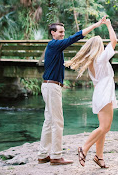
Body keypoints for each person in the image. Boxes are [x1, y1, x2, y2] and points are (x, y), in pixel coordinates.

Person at [37, 16, 106, 166]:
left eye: (63, 32)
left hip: (48, 86)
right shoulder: (54, 44)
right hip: (52, 86)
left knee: (49, 120)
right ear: (52, 33)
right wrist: (95, 25)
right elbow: (75, 37)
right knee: (57, 122)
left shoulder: (54, 46)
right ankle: (55, 156)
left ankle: (43, 154)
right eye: (60, 32)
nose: (63, 34)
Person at [65, 17, 117, 168]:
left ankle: (99, 157)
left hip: (100, 93)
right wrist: (108, 24)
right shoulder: (101, 59)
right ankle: (84, 148)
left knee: (103, 127)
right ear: (98, 47)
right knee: (105, 127)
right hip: (104, 93)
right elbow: (114, 41)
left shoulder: (91, 63)